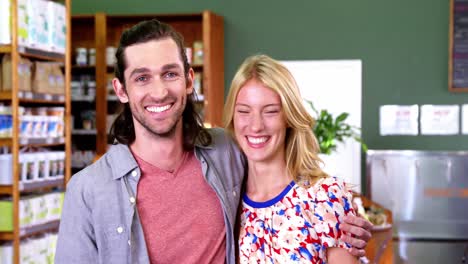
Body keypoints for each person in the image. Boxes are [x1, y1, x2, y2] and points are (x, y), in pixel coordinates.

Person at [55, 19, 371, 264]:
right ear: (121, 90)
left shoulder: (226, 151)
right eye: (141, 77)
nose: (159, 91)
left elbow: (284, 177)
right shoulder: (87, 190)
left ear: (189, 80)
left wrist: (340, 221)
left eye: (169, 74)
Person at [223, 54, 366, 263]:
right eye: (244, 111)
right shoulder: (228, 205)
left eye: (270, 111)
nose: (255, 126)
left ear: (289, 117)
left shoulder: (324, 197)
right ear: (232, 118)